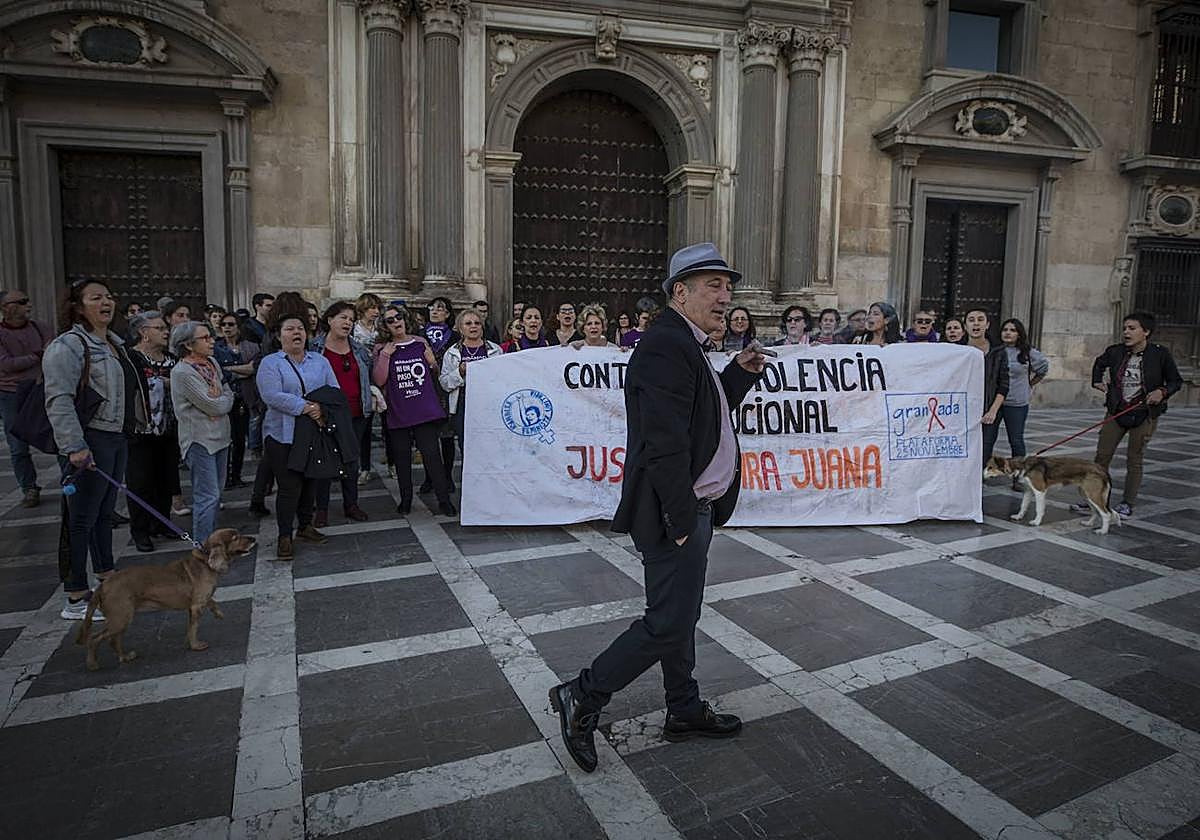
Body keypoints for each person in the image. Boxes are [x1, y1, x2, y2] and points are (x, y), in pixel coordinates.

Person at [549, 242, 766, 773]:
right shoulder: (668, 345)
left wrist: (736, 373)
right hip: (680, 513)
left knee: (679, 615)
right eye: (713, 286)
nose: (725, 296)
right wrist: (681, 520)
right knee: (668, 622)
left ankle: (684, 709)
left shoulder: (685, 342)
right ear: (680, 292)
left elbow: (700, 415)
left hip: (695, 509)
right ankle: (583, 694)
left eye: (727, 286)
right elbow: (663, 443)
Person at [44, 280, 148, 620]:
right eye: (95, 298)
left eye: (108, 296)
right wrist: (74, 446)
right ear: (78, 306)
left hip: (115, 436)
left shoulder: (115, 344)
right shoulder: (68, 346)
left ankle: (106, 576)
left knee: (104, 514)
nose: (106, 302)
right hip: (90, 439)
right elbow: (59, 400)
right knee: (80, 519)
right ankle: (75, 594)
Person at [1075, 312, 1183, 518]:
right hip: (1117, 411)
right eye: (1125, 328)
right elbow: (1099, 363)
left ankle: (1127, 503)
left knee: (1134, 459)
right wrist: (1097, 380)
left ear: (1146, 332)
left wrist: (1162, 392)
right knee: (1102, 457)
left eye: (1132, 328)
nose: (1126, 332)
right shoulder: (1115, 351)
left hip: (1144, 414)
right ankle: (1093, 499)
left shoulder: (1160, 354)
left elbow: (1175, 381)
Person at [256, 313, 338, 560]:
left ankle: (304, 526)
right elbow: (271, 395)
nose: (296, 333)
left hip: (314, 432)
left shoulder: (319, 361)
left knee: (311, 481)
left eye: (300, 328)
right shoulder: (271, 363)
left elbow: (333, 390)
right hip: (283, 434)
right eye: (290, 329)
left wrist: (322, 409)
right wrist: (307, 407)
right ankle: (284, 535)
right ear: (279, 335)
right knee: (289, 486)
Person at [372, 306, 456, 516]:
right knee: (401, 458)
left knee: (432, 456)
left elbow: (434, 372)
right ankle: (406, 499)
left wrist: (432, 362)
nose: (395, 321)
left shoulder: (420, 342)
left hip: (424, 409)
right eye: (390, 320)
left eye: (398, 317)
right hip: (399, 411)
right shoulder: (382, 348)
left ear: (405, 318)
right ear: (385, 326)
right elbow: (379, 379)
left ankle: (443, 500)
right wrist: (386, 356)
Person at [170, 321, 233, 544]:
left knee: (217, 493)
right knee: (208, 495)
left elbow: (227, 393)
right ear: (188, 345)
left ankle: (212, 540)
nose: (211, 341)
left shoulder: (212, 363)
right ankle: (203, 546)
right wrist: (220, 400)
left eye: (210, 336)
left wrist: (221, 398)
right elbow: (214, 406)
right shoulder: (182, 372)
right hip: (199, 439)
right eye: (205, 338)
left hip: (221, 436)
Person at [311, 301, 371, 525]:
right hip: (326, 414)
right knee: (324, 460)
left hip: (356, 412)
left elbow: (367, 377)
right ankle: (322, 508)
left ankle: (351, 504)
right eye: (343, 317)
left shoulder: (359, 349)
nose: (348, 322)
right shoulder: (315, 348)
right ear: (329, 320)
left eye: (351, 319)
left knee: (351, 461)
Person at [126, 311, 181, 552]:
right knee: (140, 482)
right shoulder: (130, 358)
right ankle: (140, 530)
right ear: (143, 332)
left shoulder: (172, 359)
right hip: (141, 430)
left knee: (166, 479)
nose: (165, 332)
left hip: (169, 429)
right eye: (159, 328)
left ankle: (162, 522)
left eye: (165, 327)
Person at [0, 289, 52, 506]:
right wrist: (37, 356)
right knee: (18, 445)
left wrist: (36, 358)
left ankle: (71, 480)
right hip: (10, 393)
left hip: (40, 388)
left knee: (59, 436)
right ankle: (29, 487)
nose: (28, 305)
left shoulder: (40, 328)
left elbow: (52, 352)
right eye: (21, 302)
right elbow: (7, 364)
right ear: (6, 308)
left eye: (27, 300)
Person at [989, 318, 1049, 482]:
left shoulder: (1028, 353)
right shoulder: (996, 350)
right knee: (988, 438)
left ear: (1019, 334)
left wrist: (1030, 384)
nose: (1008, 333)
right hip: (995, 402)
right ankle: (984, 472)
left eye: (1013, 330)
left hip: (1016, 402)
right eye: (1005, 329)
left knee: (1015, 439)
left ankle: (1019, 475)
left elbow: (1043, 367)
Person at [440, 308, 503, 459]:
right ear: (461, 328)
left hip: (489, 403)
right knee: (466, 445)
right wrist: (459, 373)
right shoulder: (452, 353)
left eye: (477, 323)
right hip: (463, 403)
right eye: (468, 323)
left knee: (489, 444)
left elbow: (504, 378)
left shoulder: (496, 350)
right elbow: (444, 382)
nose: (473, 326)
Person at [214, 312, 256, 488]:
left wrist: (230, 369)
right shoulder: (216, 348)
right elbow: (217, 372)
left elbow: (253, 368)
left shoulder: (251, 347)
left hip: (244, 397)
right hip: (224, 398)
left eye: (231, 324)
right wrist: (240, 370)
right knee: (226, 439)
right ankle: (224, 477)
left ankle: (236, 475)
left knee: (240, 440)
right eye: (224, 324)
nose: (227, 328)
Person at [965, 309, 1010, 467]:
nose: (976, 323)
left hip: (988, 410)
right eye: (971, 319)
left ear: (987, 325)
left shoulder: (999, 352)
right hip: (964, 412)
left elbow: (1004, 384)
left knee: (985, 449)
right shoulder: (958, 351)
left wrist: (992, 411)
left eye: (980, 319)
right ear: (966, 326)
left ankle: (978, 485)